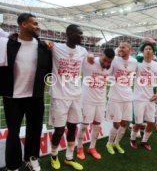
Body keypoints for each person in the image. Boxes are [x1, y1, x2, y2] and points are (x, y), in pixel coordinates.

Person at [0, 13, 52, 171]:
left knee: (34, 130)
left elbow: (48, 70)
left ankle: (31, 158)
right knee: (13, 133)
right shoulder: (7, 43)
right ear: (23, 24)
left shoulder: (43, 47)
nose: (38, 26)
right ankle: (12, 165)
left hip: (35, 97)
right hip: (12, 97)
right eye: (34, 23)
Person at [49, 24, 87, 170]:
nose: (82, 36)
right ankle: (54, 155)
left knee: (72, 127)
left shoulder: (82, 51)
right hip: (60, 96)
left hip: (76, 96)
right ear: (69, 33)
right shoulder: (56, 47)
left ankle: (69, 158)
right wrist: (46, 43)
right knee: (59, 130)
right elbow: (41, 44)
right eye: (79, 33)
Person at [76, 48, 115, 160]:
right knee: (84, 126)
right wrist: (89, 55)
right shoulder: (89, 62)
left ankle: (92, 147)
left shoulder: (110, 66)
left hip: (101, 100)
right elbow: (77, 55)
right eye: (104, 60)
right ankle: (79, 147)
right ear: (100, 55)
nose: (106, 63)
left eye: (109, 61)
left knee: (97, 125)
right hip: (87, 100)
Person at [105, 40, 138, 155]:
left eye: (124, 47)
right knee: (116, 124)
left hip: (128, 96)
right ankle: (109, 143)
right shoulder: (114, 60)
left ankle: (116, 143)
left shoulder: (134, 62)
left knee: (125, 123)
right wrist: (115, 53)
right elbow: (106, 70)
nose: (121, 49)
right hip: (115, 96)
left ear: (130, 49)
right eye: (120, 47)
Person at [130, 42, 157, 151]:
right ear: (143, 52)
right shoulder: (137, 64)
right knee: (138, 122)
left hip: (150, 98)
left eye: (150, 49)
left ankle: (144, 141)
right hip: (138, 97)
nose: (148, 50)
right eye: (146, 49)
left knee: (151, 122)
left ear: (153, 52)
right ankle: (132, 139)